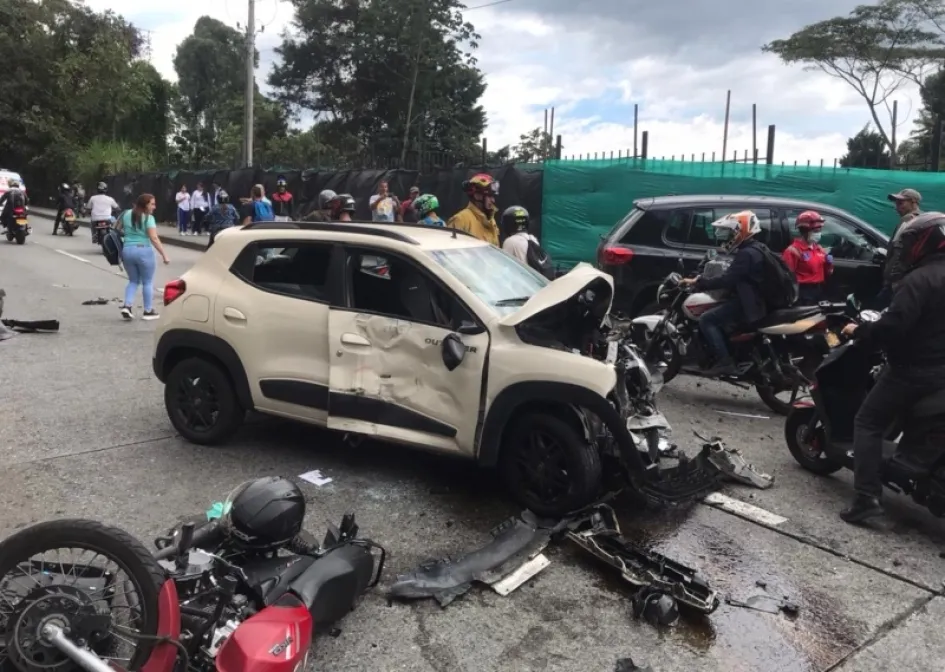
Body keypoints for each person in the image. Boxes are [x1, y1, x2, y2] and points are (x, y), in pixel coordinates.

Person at [838, 211, 945, 524]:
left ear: (926, 241)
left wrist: (859, 332)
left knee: (867, 421)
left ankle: (866, 497)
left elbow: (893, 327)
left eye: (911, 240)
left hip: (912, 371)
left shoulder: (919, 280)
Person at [678, 211, 767, 377]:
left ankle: (725, 362)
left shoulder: (746, 254)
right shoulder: (756, 249)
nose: (726, 237)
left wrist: (700, 282)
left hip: (746, 303)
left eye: (730, 233)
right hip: (755, 300)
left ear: (741, 231)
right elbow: (735, 274)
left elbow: (728, 280)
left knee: (707, 319)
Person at [117, 193, 170, 321]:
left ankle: (127, 306)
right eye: (152, 204)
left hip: (127, 250)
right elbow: (154, 238)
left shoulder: (126, 214)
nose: (154, 207)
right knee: (147, 282)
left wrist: (130, 235)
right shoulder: (148, 218)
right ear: (145, 204)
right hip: (143, 250)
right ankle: (148, 311)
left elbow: (117, 229)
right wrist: (164, 255)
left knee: (133, 281)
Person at [782, 210, 833, 305]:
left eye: (819, 230)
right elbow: (787, 278)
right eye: (815, 231)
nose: (818, 233)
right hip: (804, 294)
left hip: (819, 290)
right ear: (804, 231)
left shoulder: (818, 248)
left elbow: (828, 272)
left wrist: (829, 264)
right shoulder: (793, 251)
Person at [448, 173, 500, 246]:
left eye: (493, 196)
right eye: (489, 196)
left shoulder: (491, 220)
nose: (493, 200)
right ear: (477, 196)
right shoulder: (461, 220)